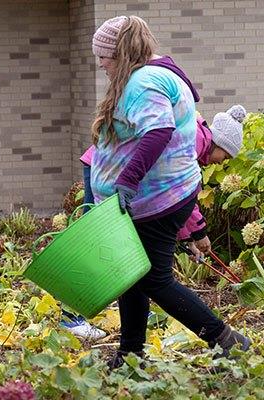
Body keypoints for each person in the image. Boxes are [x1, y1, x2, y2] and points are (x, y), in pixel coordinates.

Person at [89, 15, 250, 369]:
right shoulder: (143, 77)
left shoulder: (145, 82)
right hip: (151, 202)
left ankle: (226, 340)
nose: (100, 63)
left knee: (154, 280)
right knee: (133, 276)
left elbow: (159, 130)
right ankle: (131, 355)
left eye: (105, 56)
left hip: (159, 201)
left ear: (124, 52)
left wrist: (127, 181)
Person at [179, 105, 246, 259]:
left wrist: (188, 240)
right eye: (226, 156)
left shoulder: (198, 146)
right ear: (219, 143)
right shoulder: (194, 143)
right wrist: (199, 232)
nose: (222, 162)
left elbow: (181, 202)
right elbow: (182, 194)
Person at [59, 146, 106, 340]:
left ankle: (135, 308)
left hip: (114, 165)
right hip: (106, 165)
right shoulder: (191, 137)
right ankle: (70, 317)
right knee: (92, 237)